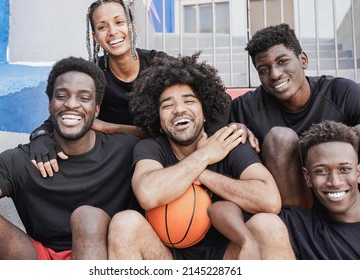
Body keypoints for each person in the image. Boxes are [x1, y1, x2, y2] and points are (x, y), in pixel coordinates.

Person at [28, 0, 236, 178]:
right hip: (118, 163)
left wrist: (206, 144)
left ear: (132, 25)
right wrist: (39, 138)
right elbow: (59, 116)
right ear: (95, 37)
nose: (113, 32)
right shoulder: (93, 75)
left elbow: (219, 100)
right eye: (102, 27)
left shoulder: (160, 64)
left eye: (119, 22)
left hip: (168, 155)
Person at [107, 52, 281, 260]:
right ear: (158, 119)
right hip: (166, 258)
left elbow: (270, 200)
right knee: (124, 223)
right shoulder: (151, 148)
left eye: (189, 101)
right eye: (167, 105)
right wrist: (205, 156)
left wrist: (203, 175)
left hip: (227, 255)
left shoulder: (229, 142)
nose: (179, 110)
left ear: (205, 109)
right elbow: (148, 193)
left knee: (268, 225)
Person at [0, 56, 139, 260]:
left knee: (87, 217)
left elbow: (166, 137)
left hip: (101, 260)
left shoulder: (125, 150)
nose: (71, 104)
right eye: (61, 96)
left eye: (84, 98)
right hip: (43, 259)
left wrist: (114, 128)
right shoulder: (24, 159)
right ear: (50, 104)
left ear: (97, 109)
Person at [229, 23, 360, 208]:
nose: (274, 74)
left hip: (339, 191)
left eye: (282, 61)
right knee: (280, 138)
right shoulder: (246, 108)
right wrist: (233, 127)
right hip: (291, 205)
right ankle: (297, 225)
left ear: (303, 60)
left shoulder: (341, 92)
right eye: (264, 70)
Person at [243, 120, 360, 259]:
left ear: (358, 173)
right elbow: (226, 210)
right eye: (321, 171)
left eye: (344, 169)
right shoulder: (298, 222)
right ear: (308, 177)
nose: (334, 182)